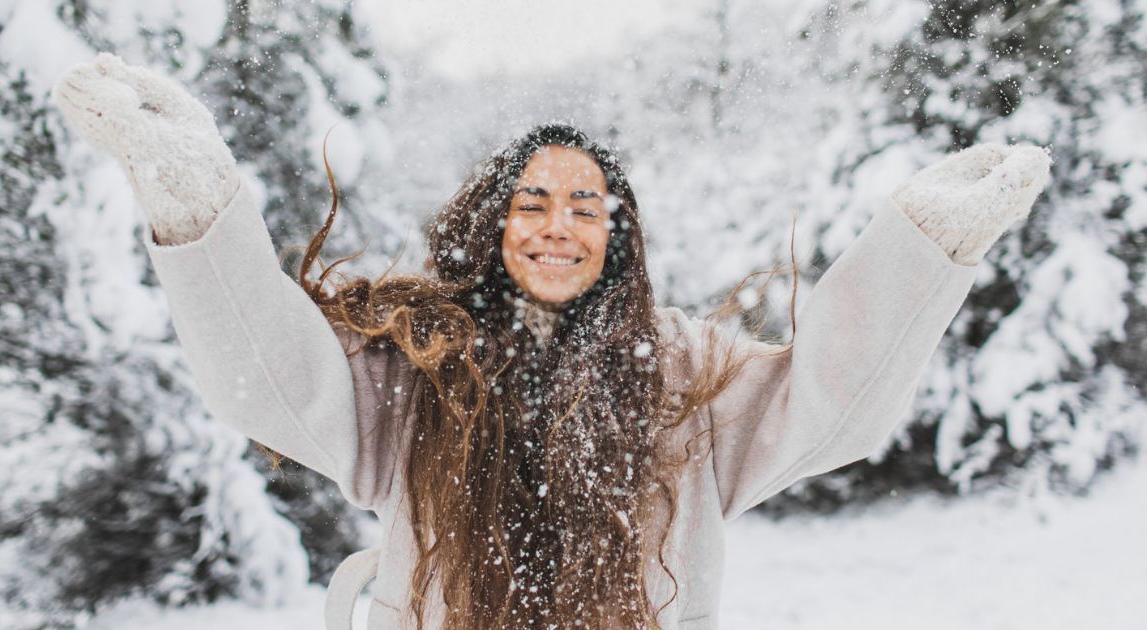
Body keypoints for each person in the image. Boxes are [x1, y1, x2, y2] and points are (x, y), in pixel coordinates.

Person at [53, 53, 1050, 630]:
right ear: (495, 223)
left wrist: (924, 243)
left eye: (586, 204)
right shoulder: (417, 368)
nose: (557, 224)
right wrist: (193, 197)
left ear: (617, 234)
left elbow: (833, 406)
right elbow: (264, 379)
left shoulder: (688, 376)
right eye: (532, 202)